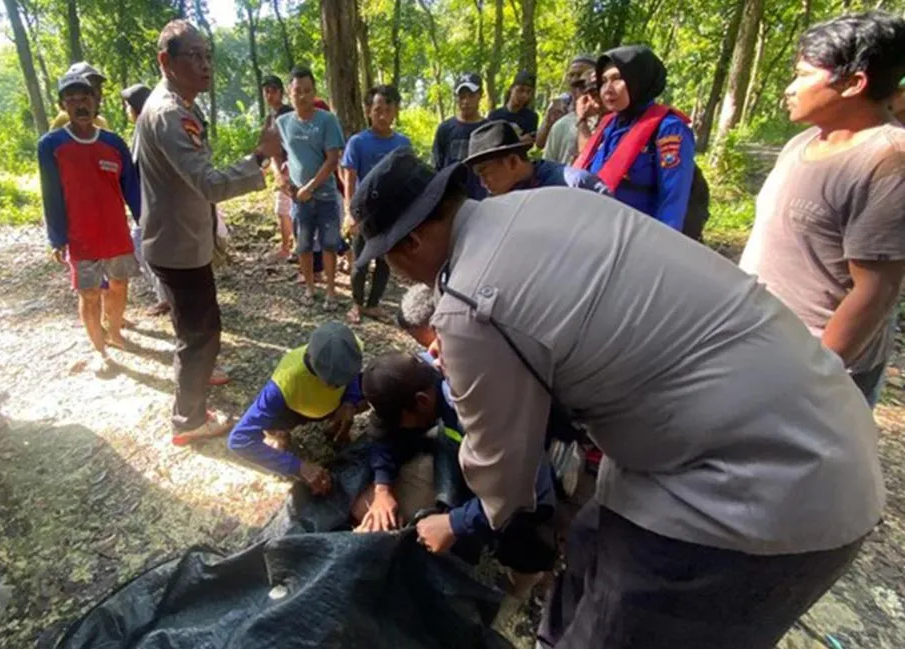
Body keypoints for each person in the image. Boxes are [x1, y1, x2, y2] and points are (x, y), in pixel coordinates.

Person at [350, 148, 883, 649]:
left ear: (413, 243)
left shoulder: (469, 301)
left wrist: (455, 522)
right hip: (808, 418)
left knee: (619, 621)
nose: (396, 275)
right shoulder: (549, 203)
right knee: (587, 549)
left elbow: (503, 470)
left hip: (758, 488)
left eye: (390, 260)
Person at [739, 11, 905, 408]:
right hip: (757, 344)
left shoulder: (888, 161)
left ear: (852, 83)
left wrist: (810, 377)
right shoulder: (801, 144)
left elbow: (875, 291)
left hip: (814, 369)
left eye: (802, 75)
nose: (790, 88)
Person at [136, 20, 280, 443]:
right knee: (198, 333)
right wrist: (259, 156)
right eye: (193, 56)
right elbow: (210, 183)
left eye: (207, 56)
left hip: (182, 235)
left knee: (200, 325)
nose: (205, 65)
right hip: (176, 244)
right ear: (166, 61)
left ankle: (198, 380)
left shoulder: (180, 106)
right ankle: (188, 420)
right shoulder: (168, 113)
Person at [356, 351, 557, 601]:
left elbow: (519, 489)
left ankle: (525, 585)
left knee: (524, 542)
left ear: (421, 401)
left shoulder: (481, 413)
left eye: (402, 421)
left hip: (526, 486)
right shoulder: (419, 374)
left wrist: (456, 523)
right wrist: (382, 487)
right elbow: (385, 436)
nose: (402, 428)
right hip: (481, 458)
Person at [38, 73, 141, 375]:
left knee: (120, 285)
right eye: (71, 99)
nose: (79, 105)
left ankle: (116, 332)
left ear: (96, 101)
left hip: (116, 233)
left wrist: (144, 220)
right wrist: (56, 237)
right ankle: (99, 351)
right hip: (80, 237)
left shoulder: (113, 143)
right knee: (90, 293)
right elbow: (50, 193)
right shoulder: (52, 145)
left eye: (85, 98)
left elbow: (131, 186)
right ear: (62, 105)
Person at [227, 322, 363, 493]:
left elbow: (355, 377)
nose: (337, 385)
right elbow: (239, 440)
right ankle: (278, 434)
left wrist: (350, 401)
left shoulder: (351, 346)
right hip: (296, 410)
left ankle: (335, 425)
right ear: (313, 365)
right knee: (272, 425)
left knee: (377, 383)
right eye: (332, 382)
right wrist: (297, 467)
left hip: (329, 405)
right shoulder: (285, 382)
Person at [573, 45, 696, 232]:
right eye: (604, 81)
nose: (607, 89)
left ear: (639, 80)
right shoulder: (609, 124)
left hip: (635, 238)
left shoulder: (668, 129)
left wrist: (660, 250)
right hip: (596, 229)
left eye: (617, 79)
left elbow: (673, 202)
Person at [273, 67, 345, 311]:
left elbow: (332, 158)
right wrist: (279, 177)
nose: (302, 96)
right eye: (297, 91)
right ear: (289, 93)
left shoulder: (327, 120)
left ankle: (331, 291)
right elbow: (274, 152)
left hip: (324, 195)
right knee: (303, 245)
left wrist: (311, 187)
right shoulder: (283, 122)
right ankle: (310, 288)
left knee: (329, 244)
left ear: (315, 92)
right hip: (298, 199)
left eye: (307, 91)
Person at [341, 84, 410, 324]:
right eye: (377, 109)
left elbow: (406, 179)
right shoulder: (358, 142)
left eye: (388, 108)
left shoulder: (403, 143)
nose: (383, 114)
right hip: (364, 212)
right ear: (369, 110)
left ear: (395, 111)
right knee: (360, 263)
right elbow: (348, 178)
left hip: (390, 214)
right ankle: (357, 304)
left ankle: (373, 304)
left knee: (384, 263)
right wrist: (349, 213)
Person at [121, 82, 169, 317]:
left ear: (134, 108)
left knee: (144, 248)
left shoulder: (148, 127)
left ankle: (165, 298)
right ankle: (166, 295)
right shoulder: (146, 126)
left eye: (127, 106)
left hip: (151, 204)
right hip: (147, 203)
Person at [464, 120, 609, 196]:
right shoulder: (498, 197)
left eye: (484, 172)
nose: (483, 184)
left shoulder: (575, 185)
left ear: (513, 162)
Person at [432, 73, 487, 199]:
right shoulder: (445, 129)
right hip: (451, 198)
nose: (466, 101)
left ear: (480, 96)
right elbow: (437, 166)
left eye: (471, 96)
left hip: (481, 198)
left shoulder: (488, 129)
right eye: (461, 96)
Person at [262, 74, 296, 262]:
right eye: (266, 91)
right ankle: (286, 247)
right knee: (282, 210)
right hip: (279, 166)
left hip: (292, 166)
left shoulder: (288, 113)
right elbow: (267, 146)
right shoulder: (269, 118)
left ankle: (299, 248)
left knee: (294, 208)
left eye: (273, 90)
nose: (269, 94)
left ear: (281, 93)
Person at [536, 55, 597, 152]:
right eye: (571, 75)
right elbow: (539, 143)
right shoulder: (560, 103)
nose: (574, 79)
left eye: (580, 74)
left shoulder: (601, 106)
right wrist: (548, 123)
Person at [543, 69, 599, 165]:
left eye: (593, 90)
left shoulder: (612, 123)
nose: (587, 94)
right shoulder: (561, 125)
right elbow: (547, 165)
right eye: (582, 88)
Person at [49, 61, 110, 130]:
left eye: (97, 87)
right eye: (87, 89)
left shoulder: (101, 122)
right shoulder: (65, 119)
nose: (96, 93)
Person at [488, 69, 540, 144]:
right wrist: (518, 141)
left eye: (528, 92)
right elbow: (490, 143)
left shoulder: (532, 117)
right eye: (520, 90)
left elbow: (529, 143)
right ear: (511, 89)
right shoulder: (494, 116)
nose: (524, 95)